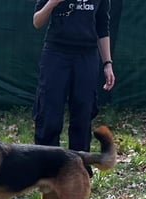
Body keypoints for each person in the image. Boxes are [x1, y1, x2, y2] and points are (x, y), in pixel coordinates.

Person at [32, 0, 122, 155]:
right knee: (49, 114)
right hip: (56, 53)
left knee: (83, 114)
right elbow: (37, 22)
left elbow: (102, 27)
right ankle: (45, 168)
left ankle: (79, 169)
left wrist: (107, 63)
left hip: (86, 56)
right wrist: (52, 3)